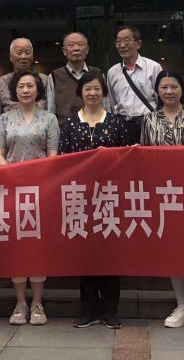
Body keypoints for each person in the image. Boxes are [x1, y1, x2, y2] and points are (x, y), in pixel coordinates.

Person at [140, 70, 184, 333]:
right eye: (164, 87)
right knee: (173, 249)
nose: (169, 92)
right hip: (163, 193)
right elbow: (144, 155)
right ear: (157, 91)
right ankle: (181, 305)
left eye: (173, 86)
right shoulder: (149, 119)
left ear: (182, 89)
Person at [59, 71, 129, 329]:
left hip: (109, 197)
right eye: (87, 89)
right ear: (80, 92)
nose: (92, 93)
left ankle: (110, 311)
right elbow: (62, 160)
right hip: (79, 197)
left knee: (110, 254)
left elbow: (125, 159)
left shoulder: (116, 122)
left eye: (97, 89)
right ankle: (89, 310)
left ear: (104, 93)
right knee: (85, 253)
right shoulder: (70, 123)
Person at [0, 70, 59, 326]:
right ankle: (20, 302)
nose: (25, 90)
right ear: (15, 91)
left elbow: (53, 153)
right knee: (17, 246)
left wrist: (38, 176)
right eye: (21, 86)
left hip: (41, 189)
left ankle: (38, 303)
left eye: (30, 86)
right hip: (12, 189)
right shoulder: (5, 118)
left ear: (38, 90)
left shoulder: (49, 118)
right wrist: (11, 174)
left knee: (37, 245)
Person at [106, 26, 162, 145]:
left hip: (148, 124)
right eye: (118, 41)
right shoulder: (112, 72)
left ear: (138, 43)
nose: (122, 45)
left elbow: (160, 100)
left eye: (126, 40)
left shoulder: (153, 67)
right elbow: (112, 103)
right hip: (121, 125)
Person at [46, 31, 102, 122]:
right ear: (64, 51)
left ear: (87, 49)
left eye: (80, 44)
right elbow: (51, 112)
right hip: (64, 128)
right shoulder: (54, 76)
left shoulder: (98, 73)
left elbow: (106, 108)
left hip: (94, 127)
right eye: (71, 45)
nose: (76, 48)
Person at [0, 38, 52, 122]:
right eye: (19, 53)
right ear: (10, 57)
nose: (23, 56)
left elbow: (51, 109)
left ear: (32, 56)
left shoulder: (45, 80)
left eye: (27, 52)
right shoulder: (0, 83)